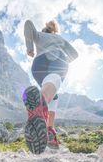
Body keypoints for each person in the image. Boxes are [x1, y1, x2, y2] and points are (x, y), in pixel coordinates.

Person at [22, 19, 78, 154]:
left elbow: (29, 23)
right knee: (54, 81)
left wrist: (30, 48)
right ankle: (40, 106)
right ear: (53, 31)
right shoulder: (59, 38)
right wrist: (64, 60)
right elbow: (75, 54)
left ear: (44, 31)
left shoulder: (40, 36)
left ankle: (49, 130)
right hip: (57, 58)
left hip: (38, 65)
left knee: (53, 94)